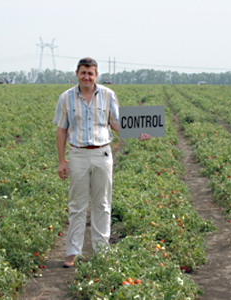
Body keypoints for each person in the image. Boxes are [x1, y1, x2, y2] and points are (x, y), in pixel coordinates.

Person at [53, 57, 150, 268]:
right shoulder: (66, 98)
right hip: (77, 154)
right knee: (77, 205)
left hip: (102, 154)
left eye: (90, 73)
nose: (86, 77)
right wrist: (62, 161)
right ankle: (72, 252)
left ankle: (102, 251)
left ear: (96, 75)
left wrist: (137, 132)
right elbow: (61, 130)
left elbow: (115, 123)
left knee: (102, 204)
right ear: (77, 74)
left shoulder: (108, 95)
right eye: (83, 73)